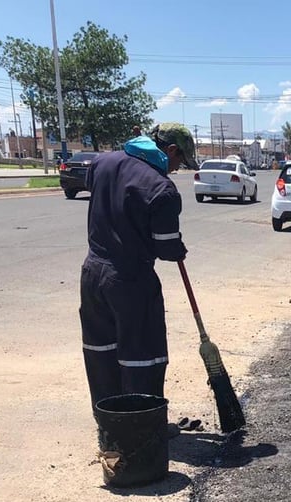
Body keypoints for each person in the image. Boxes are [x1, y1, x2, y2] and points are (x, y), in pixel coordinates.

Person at [79, 123, 198, 418]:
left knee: (100, 351)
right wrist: (178, 247)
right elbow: (167, 248)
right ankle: (141, 425)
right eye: (179, 161)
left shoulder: (102, 163)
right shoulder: (161, 189)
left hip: (93, 274)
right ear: (171, 150)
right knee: (143, 357)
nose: (176, 168)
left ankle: (109, 425)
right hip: (131, 281)